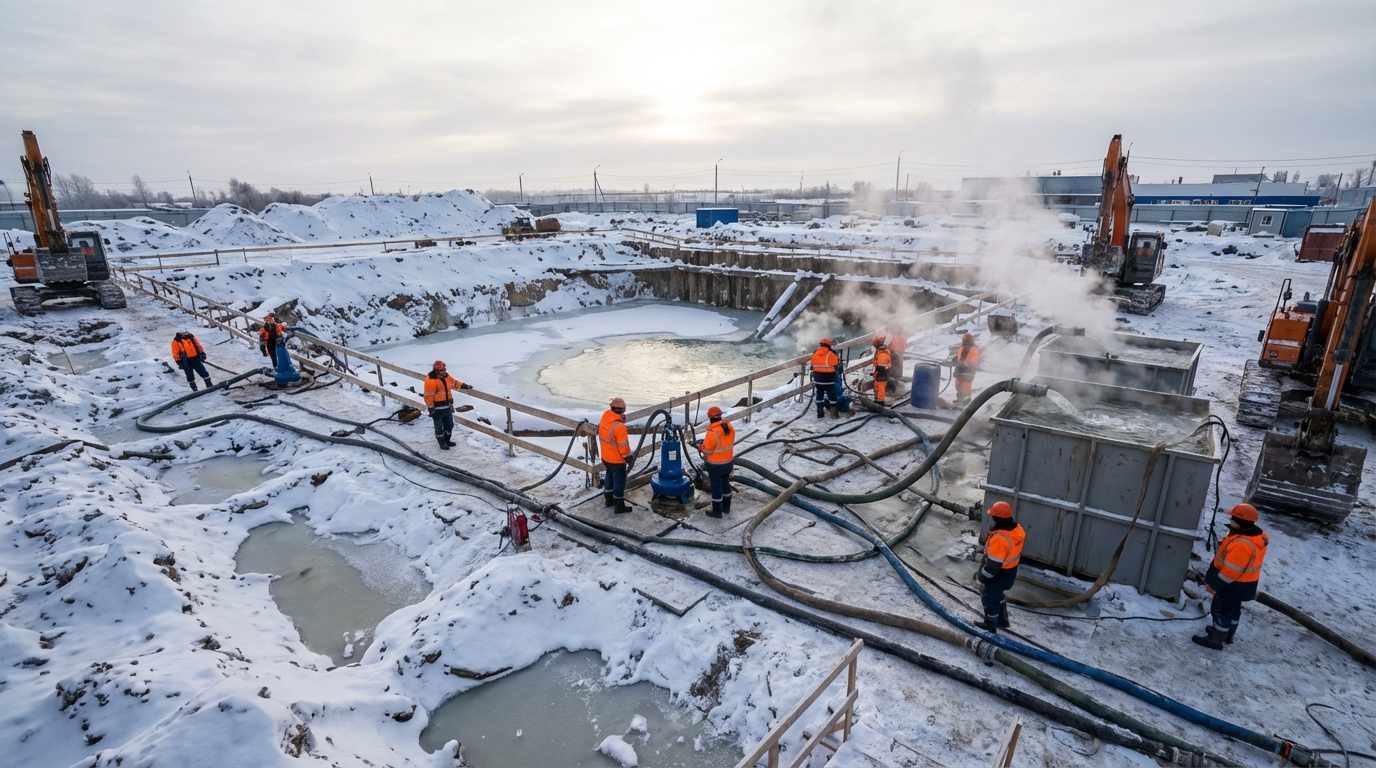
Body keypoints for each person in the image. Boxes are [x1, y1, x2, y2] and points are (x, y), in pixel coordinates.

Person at [1193, 503, 1268, 651]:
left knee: (1221, 610)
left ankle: (1215, 639)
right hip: (1245, 584)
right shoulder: (1256, 536)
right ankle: (1227, 635)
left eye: (1233, 518)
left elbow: (1231, 572)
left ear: (1240, 523)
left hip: (1231, 585)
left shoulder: (1242, 544)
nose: (1230, 520)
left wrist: (1215, 585)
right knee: (1233, 611)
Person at [978, 501, 1024, 633]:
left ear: (997, 518)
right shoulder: (1016, 529)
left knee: (989, 598)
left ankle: (991, 626)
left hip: (998, 574)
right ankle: (1003, 621)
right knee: (998, 596)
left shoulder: (1000, 538)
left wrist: (982, 577)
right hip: (1010, 571)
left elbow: (993, 565)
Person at [422, 360, 473, 451]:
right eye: (441, 369)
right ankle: (442, 443)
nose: (443, 371)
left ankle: (447, 440)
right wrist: (430, 407)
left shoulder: (446, 377)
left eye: (444, 369)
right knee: (439, 427)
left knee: (449, 425)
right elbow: (428, 395)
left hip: (447, 406)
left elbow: (454, 383)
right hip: (437, 408)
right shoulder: (431, 380)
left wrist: (464, 386)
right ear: (436, 370)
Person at [696, 406, 735, 518]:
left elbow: (707, 449)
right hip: (728, 463)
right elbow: (722, 443)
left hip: (715, 466)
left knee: (716, 487)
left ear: (710, 418)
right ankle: (726, 507)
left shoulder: (712, 433)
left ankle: (717, 511)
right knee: (726, 483)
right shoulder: (729, 427)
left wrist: (700, 446)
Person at [599, 397, 632, 514]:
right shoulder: (620, 427)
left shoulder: (605, 418)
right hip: (617, 460)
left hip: (606, 457)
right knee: (619, 481)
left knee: (609, 476)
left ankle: (608, 500)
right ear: (623, 410)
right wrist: (628, 457)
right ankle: (619, 505)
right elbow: (623, 446)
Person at [810, 338, 840, 418]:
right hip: (828, 378)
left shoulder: (815, 353)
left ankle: (820, 412)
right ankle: (834, 414)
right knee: (831, 395)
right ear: (828, 345)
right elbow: (836, 363)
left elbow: (812, 363)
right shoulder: (830, 354)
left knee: (819, 394)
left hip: (818, 378)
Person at [953, 332, 980, 405]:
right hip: (960, 369)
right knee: (958, 384)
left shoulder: (974, 349)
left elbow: (973, 361)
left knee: (966, 385)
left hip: (968, 371)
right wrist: (955, 360)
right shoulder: (962, 347)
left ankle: (966, 399)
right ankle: (960, 398)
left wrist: (964, 363)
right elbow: (959, 356)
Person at [870, 336, 892, 406]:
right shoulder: (881, 352)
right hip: (880, 372)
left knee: (881, 387)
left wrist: (876, 373)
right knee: (877, 386)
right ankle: (877, 399)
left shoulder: (882, 354)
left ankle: (881, 401)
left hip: (882, 373)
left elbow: (881, 367)